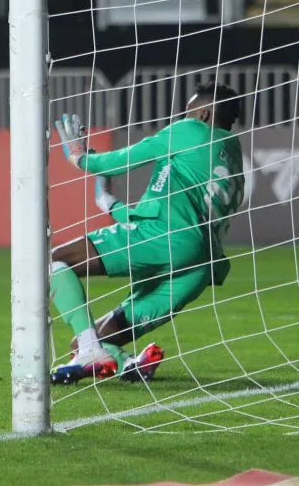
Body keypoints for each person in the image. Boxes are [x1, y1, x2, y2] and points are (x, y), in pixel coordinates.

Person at [49, 82, 245, 385]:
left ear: (203, 114)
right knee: (85, 340)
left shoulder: (190, 132)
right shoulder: (229, 154)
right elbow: (177, 210)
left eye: (188, 113)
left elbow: (121, 160)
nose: (182, 118)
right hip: (198, 266)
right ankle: (130, 363)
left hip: (165, 239)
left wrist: (81, 158)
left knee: (55, 261)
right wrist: (110, 204)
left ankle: (92, 352)